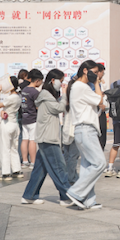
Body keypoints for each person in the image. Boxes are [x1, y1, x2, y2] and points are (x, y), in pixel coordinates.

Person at [21, 69, 72, 205]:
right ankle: (67, 196)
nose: (62, 84)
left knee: (39, 170)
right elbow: (59, 108)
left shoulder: (46, 95)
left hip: (46, 136)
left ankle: (29, 195)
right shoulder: (46, 95)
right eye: (61, 81)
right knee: (59, 168)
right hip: (48, 138)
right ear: (53, 80)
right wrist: (65, 95)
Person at [65, 60, 106, 210]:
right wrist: (96, 83)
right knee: (100, 163)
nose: (96, 75)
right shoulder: (81, 87)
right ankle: (76, 192)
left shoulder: (79, 87)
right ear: (85, 71)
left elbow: (98, 105)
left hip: (84, 130)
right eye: (94, 73)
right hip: (86, 129)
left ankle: (88, 200)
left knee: (87, 166)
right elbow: (99, 100)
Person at [0, 76, 23, 181]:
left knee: (5, 149)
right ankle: (16, 170)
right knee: (13, 148)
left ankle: (6, 173)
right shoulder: (18, 96)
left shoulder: (12, 97)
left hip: (7, 124)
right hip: (14, 124)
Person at [20, 69, 43, 169]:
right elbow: (38, 106)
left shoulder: (24, 90)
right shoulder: (35, 92)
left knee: (25, 139)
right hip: (33, 119)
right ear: (37, 80)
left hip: (24, 118)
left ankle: (25, 161)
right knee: (32, 140)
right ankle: (33, 162)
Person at [96, 63, 109, 149]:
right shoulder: (91, 84)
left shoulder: (101, 83)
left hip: (102, 111)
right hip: (95, 112)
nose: (102, 75)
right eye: (102, 73)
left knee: (103, 133)